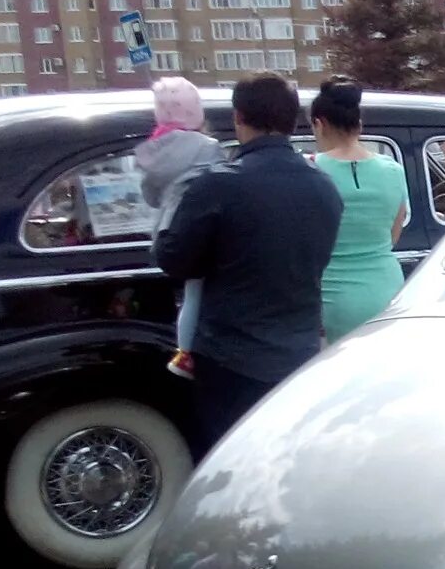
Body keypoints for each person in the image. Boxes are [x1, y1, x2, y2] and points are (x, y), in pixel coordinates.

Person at [156, 74, 343, 455]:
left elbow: (174, 259)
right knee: (286, 458)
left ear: (239, 117)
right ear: (295, 121)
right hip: (299, 351)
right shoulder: (324, 188)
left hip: (231, 359)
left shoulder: (215, 185)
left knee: (228, 460)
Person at [309, 77, 410, 344]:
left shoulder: (311, 169)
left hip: (331, 300)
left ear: (319, 124)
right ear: (360, 125)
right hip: (388, 292)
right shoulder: (393, 170)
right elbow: (393, 236)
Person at [135, 76, 222, 380]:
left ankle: (184, 351)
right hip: (197, 225)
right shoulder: (207, 148)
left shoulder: (152, 150)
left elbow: (149, 195)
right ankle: (186, 353)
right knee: (197, 290)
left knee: (189, 294)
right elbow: (217, 183)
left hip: (165, 229)